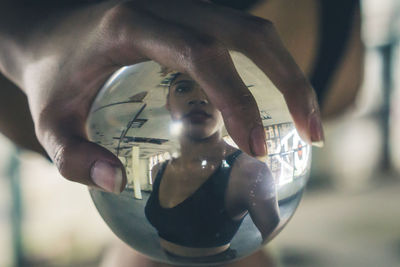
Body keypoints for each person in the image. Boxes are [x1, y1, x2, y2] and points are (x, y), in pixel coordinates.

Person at [144, 72, 279, 257]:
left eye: (211, 89)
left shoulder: (250, 172)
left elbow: (276, 243)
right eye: (183, 88)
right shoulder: (158, 170)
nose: (198, 98)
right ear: (168, 103)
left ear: (225, 102)